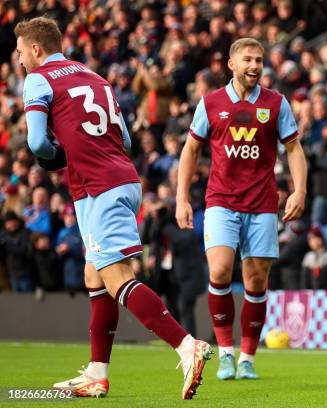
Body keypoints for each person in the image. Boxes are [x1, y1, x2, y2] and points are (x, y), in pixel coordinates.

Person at [15, 17, 211, 400]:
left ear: (36, 49)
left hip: (98, 188)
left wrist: (57, 157)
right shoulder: (94, 76)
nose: (19, 60)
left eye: (21, 52)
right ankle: (97, 373)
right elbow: (123, 135)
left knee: (117, 276)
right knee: (95, 276)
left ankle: (187, 345)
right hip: (118, 179)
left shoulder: (39, 79)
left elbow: (37, 143)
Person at [176, 38, 307, 381]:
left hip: (263, 203)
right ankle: (225, 355)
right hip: (221, 200)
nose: (254, 65)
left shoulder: (276, 103)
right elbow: (191, 150)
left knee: (256, 280)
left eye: (259, 60)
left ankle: (247, 357)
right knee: (219, 271)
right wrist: (181, 198)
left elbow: (293, 149)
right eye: (247, 59)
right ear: (231, 64)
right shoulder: (210, 103)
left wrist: (299, 190)